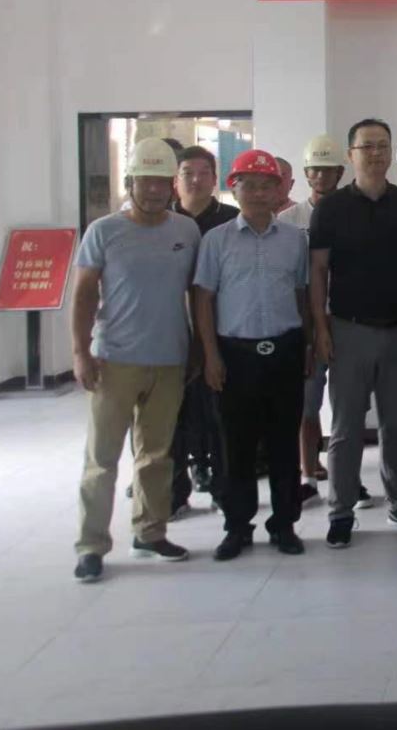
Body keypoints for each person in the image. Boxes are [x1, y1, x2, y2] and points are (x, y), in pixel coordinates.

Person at [70, 138, 200, 583]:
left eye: (162, 182)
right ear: (130, 183)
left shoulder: (186, 231)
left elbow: (196, 295)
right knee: (102, 459)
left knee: (156, 454)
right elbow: (84, 295)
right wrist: (80, 352)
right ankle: (91, 546)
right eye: (146, 182)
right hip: (114, 361)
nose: (155, 191)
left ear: (172, 185)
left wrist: (197, 348)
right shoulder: (104, 231)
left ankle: (150, 532)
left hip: (169, 359)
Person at [312, 119, 397, 548]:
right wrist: (321, 327)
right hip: (348, 330)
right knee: (346, 429)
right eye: (367, 146)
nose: (376, 153)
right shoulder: (331, 208)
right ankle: (340, 511)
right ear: (351, 154)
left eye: (383, 146)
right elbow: (318, 271)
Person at [193, 149, 311, 560]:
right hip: (235, 354)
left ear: (279, 190)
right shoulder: (216, 240)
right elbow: (203, 300)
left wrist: (307, 344)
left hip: (284, 351)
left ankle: (284, 525)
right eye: (250, 186)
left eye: (267, 186)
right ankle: (237, 526)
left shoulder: (295, 240)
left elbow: (302, 295)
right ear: (234, 187)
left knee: (283, 444)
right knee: (235, 446)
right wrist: (211, 355)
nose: (259, 194)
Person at [168, 146, 238, 517]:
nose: (195, 180)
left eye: (203, 173)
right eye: (187, 173)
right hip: (170, 336)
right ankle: (173, 492)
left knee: (220, 419)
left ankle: (225, 492)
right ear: (175, 180)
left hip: (220, 334)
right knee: (171, 420)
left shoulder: (231, 221)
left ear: (215, 178)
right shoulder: (161, 220)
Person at [281, 134, 345, 499]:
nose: (321, 176)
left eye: (328, 169)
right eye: (315, 170)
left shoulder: (352, 212)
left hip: (347, 318)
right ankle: (308, 473)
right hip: (305, 320)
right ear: (306, 173)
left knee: (347, 405)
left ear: (340, 172)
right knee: (308, 401)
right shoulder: (289, 220)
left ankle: (345, 476)